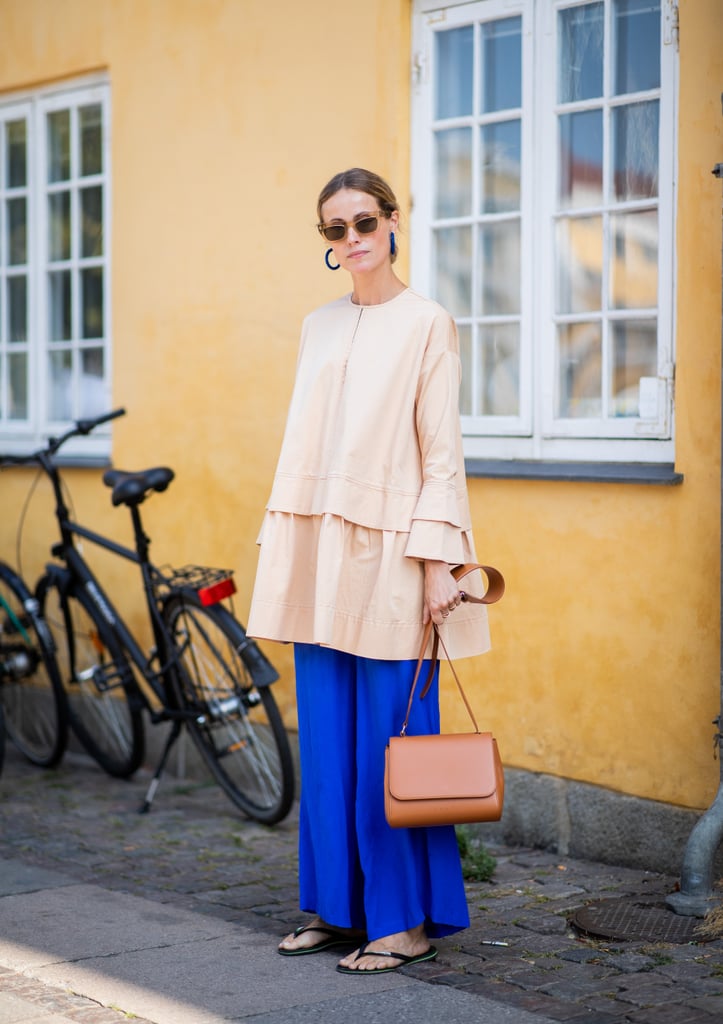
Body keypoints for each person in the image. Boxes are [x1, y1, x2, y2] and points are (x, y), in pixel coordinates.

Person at [247, 167, 492, 976]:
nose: (350, 239)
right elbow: (304, 444)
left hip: (392, 557)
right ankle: (333, 907)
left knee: (390, 745)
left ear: (392, 223)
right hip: (319, 556)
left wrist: (435, 564)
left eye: (362, 222)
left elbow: (441, 456)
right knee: (321, 739)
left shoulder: (428, 324)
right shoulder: (316, 326)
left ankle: (401, 921)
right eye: (334, 230)